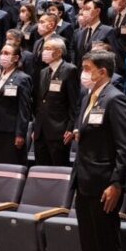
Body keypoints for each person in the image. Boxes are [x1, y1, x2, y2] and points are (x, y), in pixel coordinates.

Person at [66, 50, 126, 251]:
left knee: (106, 246)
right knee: (90, 246)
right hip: (84, 182)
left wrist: (116, 182)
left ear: (102, 71)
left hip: (105, 184)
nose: (83, 73)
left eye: (87, 68)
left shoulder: (115, 99)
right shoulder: (89, 96)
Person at [32, 37, 79, 167]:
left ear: (58, 52)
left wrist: (70, 128)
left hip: (59, 131)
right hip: (41, 131)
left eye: (47, 48)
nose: (43, 51)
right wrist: (36, 127)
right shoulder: (43, 72)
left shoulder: (70, 70)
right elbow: (40, 102)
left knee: (58, 169)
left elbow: (74, 103)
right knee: (41, 170)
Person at [0, 43, 33, 165]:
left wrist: (20, 134)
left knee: (11, 164)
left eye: (6, 53)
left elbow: (24, 109)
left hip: (12, 131)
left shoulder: (22, 78)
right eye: (1, 53)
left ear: (16, 58)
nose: (2, 56)